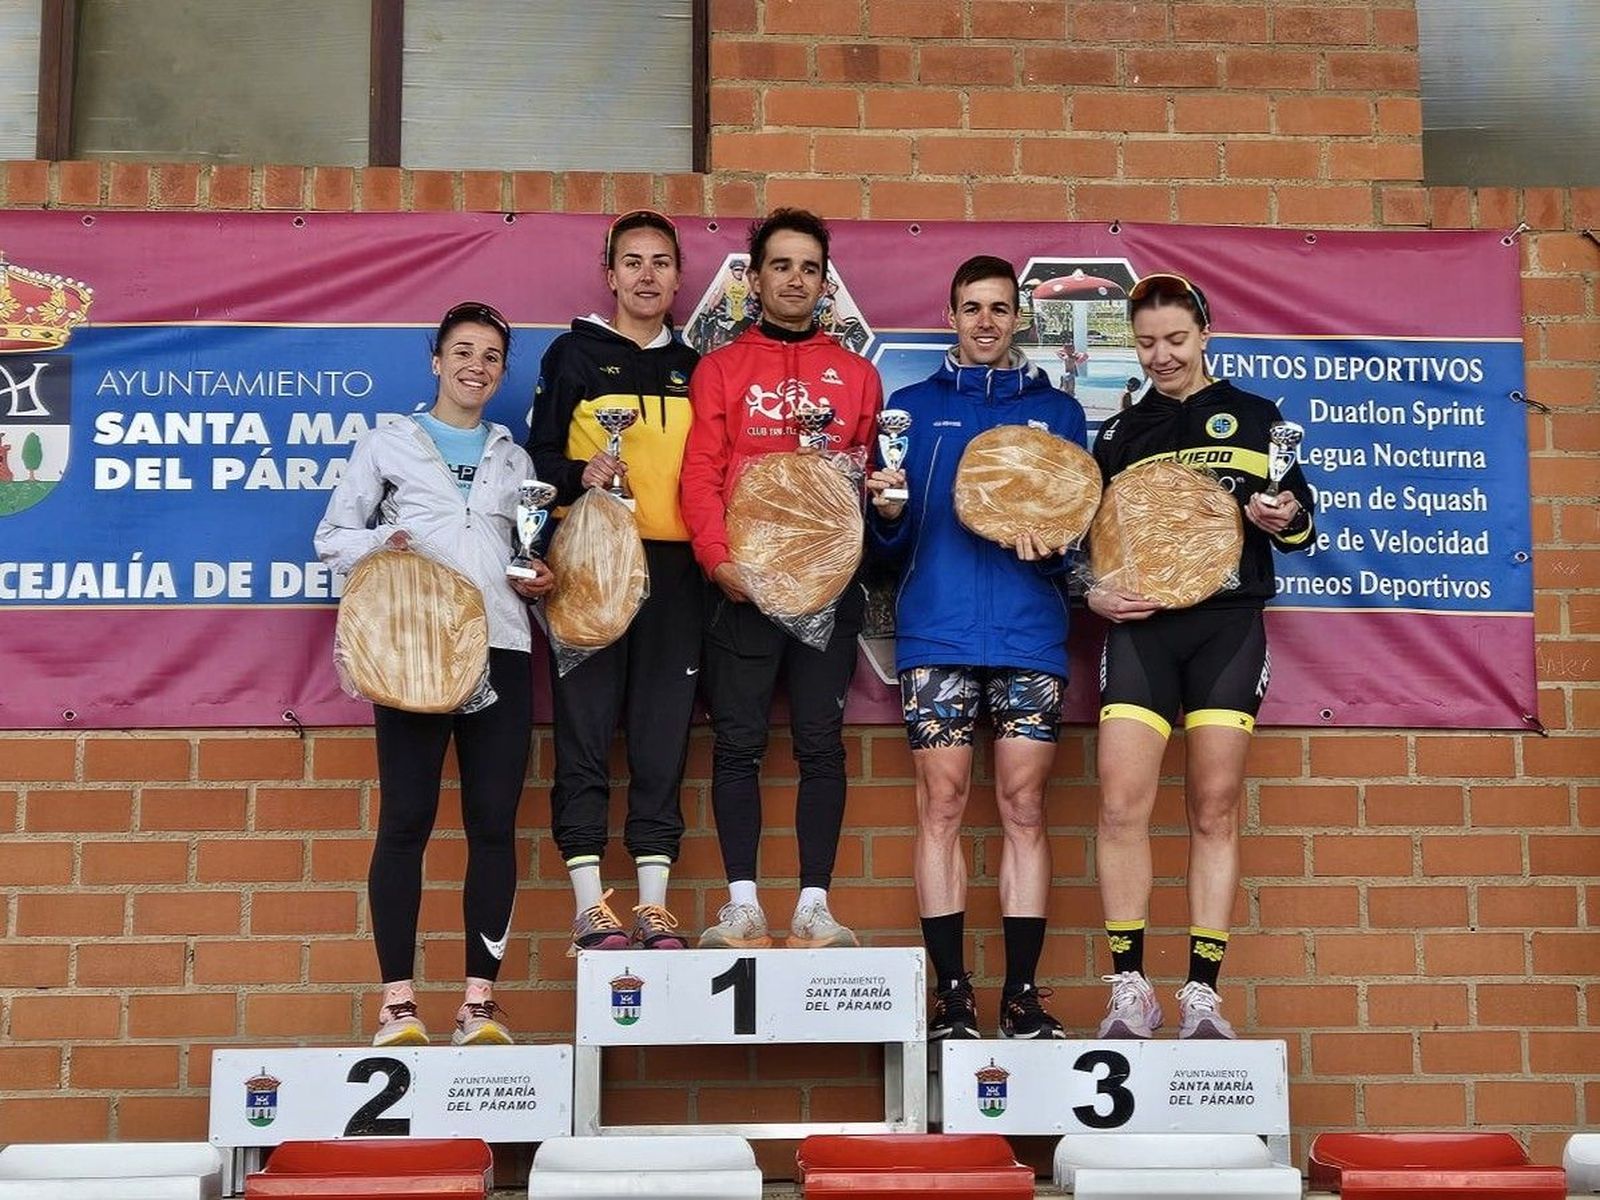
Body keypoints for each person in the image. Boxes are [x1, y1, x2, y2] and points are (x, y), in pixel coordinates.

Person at [316, 301, 553, 1048]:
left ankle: (479, 1006)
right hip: (414, 649)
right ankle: (398, 1005)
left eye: (490, 356)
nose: (475, 366)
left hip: (502, 650)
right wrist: (390, 539)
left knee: (492, 826)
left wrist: (537, 576)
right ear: (436, 359)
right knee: (407, 821)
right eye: (462, 351)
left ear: (502, 372)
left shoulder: (515, 460)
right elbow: (331, 538)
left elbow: (523, 553)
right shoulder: (389, 444)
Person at [1087, 272, 1315, 1040]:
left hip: (1227, 628)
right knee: (1122, 805)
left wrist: (1280, 515)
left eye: (1176, 340)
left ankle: (1202, 994)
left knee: (1212, 808)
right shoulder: (1120, 434)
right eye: (1147, 342)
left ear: (1206, 331)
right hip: (1143, 631)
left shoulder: (1257, 419)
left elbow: (1301, 527)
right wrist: (1092, 592)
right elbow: (1093, 549)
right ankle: (1129, 989)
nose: (1161, 356)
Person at [866, 255, 1087, 1040]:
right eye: (971, 308)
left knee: (1024, 806)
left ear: (1017, 316)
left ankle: (1022, 995)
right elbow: (885, 554)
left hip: (1029, 634)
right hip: (939, 632)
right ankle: (953, 995)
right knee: (943, 805)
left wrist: (1053, 551)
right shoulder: (909, 409)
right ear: (950, 315)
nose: (985, 322)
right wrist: (886, 518)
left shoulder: (1056, 414)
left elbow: (1078, 537)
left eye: (999, 308)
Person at [679, 208, 884, 949]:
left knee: (820, 742)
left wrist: (867, 528)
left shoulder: (859, 376)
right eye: (780, 265)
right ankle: (741, 906)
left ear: (825, 283)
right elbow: (699, 471)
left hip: (827, 591)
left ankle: (814, 908)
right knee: (737, 743)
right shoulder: (722, 368)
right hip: (742, 587)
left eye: (808, 267)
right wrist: (717, 558)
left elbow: (868, 485)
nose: (795, 279)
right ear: (755, 279)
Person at [526, 210, 702, 955]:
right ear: (610, 275)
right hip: (592, 563)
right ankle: (591, 903)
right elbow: (533, 465)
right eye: (633, 262)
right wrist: (579, 475)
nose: (647, 275)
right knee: (586, 729)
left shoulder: (698, 368)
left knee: (663, 736)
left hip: (674, 574)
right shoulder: (571, 355)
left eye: (661, 262)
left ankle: (654, 906)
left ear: (677, 276)